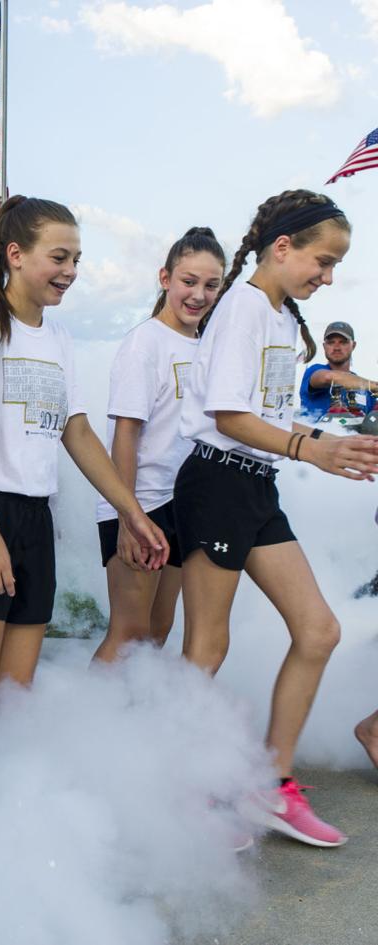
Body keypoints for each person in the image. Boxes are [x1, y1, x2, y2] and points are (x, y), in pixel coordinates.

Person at [174, 189, 378, 848]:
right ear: (283, 247)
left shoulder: (281, 317)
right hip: (216, 483)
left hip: (255, 487)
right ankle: (174, 790)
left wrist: (331, 444)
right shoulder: (241, 308)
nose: (329, 277)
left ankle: (272, 783)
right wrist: (311, 449)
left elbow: (266, 413)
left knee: (318, 631)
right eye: (324, 261)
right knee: (206, 648)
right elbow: (228, 415)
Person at [0, 197, 168, 708]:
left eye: (76, 259)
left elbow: (78, 431)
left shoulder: (58, 336)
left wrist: (131, 512)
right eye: (59, 257)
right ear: (16, 254)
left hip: (34, 519)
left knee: (15, 699)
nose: (71, 271)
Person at [92, 228, 225, 663]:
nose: (199, 295)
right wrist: (128, 518)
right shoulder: (145, 343)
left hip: (181, 505)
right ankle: (87, 708)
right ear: (165, 278)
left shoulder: (208, 348)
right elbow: (126, 434)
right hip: (141, 503)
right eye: (189, 281)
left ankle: (135, 708)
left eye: (211, 285)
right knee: (129, 633)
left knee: (157, 632)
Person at [297, 321, 376, 418]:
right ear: (324, 346)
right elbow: (329, 377)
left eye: (343, 342)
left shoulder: (366, 391)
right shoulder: (314, 371)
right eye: (331, 342)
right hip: (316, 428)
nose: (336, 347)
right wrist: (372, 385)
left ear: (353, 345)